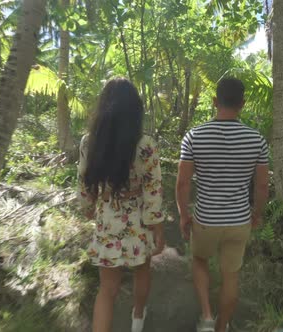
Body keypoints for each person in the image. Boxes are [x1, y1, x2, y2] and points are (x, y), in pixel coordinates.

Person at [176, 78, 270, 332]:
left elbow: (183, 183)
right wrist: (257, 214)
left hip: (205, 219)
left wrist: (184, 216)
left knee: (199, 259)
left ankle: (206, 317)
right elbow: (262, 187)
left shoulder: (194, 136)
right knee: (231, 276)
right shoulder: (256, 139)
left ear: (215, 101)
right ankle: (221, 326)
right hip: (239, 220)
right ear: (242, 104)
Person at [78, 78, 165, 332]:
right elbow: (153, 187)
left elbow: (85, 181)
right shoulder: (145, 144)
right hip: (139, 219)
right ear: (135, 109)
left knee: (107, 290)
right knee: (142, 270)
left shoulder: (88, 142)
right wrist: (158, 227)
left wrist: (87, 207)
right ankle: (138, 319)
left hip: (107, 219)